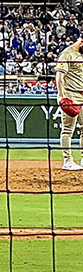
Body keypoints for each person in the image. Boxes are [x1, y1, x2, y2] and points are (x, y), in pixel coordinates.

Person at [56, 36, 83, 171]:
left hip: (82, 94)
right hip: (70, 95)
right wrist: (61, 95)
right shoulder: (67, 53)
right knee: (68, 129)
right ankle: (67, 160)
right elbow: (59, 76)